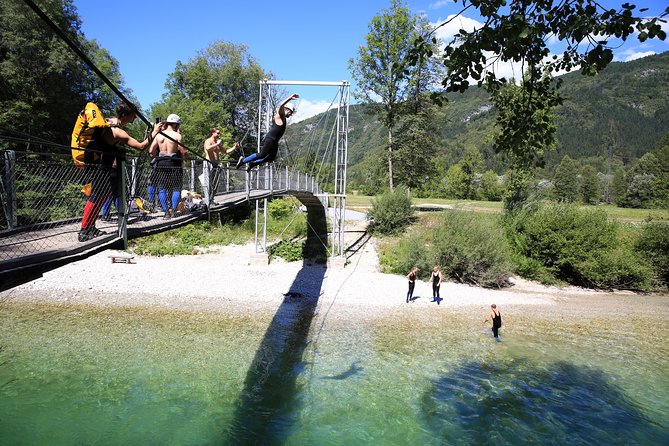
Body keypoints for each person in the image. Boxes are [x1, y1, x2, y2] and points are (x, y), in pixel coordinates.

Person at [78, 103, 162, 242]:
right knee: (95, 198)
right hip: (102, 168)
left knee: (101, 197)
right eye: (134, 114)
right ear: (126, 115)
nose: (135, 117)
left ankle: (90, 227)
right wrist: (154, 132)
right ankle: (84, 230)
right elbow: (141, 146)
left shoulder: (109, 121)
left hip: (98, 165)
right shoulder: (117, 131)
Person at [236, 93, 299, 171]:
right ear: (286, 110)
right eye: (290, 113)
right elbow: (281, 105)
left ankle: (253, 163)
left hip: (275, 141)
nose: (290, 115)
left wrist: (293, 111)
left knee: (271, 158)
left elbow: (284, 109)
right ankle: (243, 160)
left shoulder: (283, 117)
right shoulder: (280, 115)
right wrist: (290, 98)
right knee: (262, 155)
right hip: (271, 139)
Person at [150, 113, 186, 219]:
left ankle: (166, 213)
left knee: (162, 188)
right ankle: (174, 211)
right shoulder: (177, 136)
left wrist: (158, 156)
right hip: (174, 163)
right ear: (175, 125)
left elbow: (151, 151)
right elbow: (183, 151)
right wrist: (183, 161)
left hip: (161, 163)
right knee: (176, 188)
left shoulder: (159, 135)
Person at [201, 128, 239, 199]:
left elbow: (226, 151)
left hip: (216, 165)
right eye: (217, 133)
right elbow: (208, 149)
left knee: (215, 184)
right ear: (213, 133)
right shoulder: (208, 141)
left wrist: (234, 147)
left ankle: (211, 199)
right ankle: (207, 199)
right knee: (208, 183)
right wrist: (217, 144)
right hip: (209, 164)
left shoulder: (217, 143)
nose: (219, 134)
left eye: (219, 133)